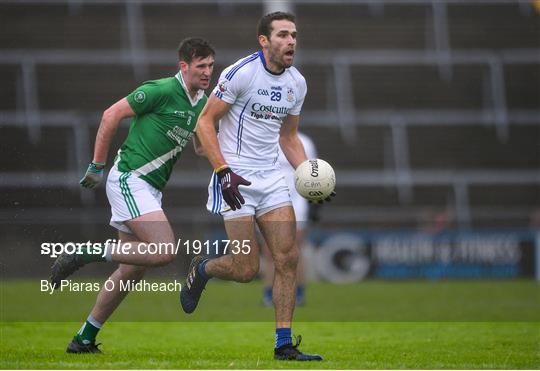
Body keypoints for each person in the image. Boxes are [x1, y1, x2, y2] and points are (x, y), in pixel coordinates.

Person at [182, 12, 333, 361]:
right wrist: (222, 170)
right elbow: (204, 122)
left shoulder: (297, 83)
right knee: (246, 269)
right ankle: (203, 268)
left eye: (294, 35)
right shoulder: (241, 73)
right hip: (233, 177)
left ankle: (284, 344)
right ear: (264, 41)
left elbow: (289, 137)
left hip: (271, 179)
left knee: (288, 257)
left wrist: (310, 174)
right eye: (282, 35)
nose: (291, 41)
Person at [50, 38, 215, 353]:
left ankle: (83, 339)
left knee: (131, 269)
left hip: (150, 189)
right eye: (201, 66)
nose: (207, 72)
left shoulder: (202, 103)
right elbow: (111, 115)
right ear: (184, 66)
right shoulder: (162, 90)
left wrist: (225, 152)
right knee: (165, 251)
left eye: (210, 65)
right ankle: (85, 253)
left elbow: (198, 146)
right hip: (130, 179)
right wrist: (96, 166)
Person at [261, 131, 318, 307]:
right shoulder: (264, 138)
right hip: (270, 199)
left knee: (294, 250)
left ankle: (298, 293)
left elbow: (313, 174)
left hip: (297, 200)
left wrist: (314, 202)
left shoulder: (305, 142)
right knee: (270, 252)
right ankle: (269, 293)